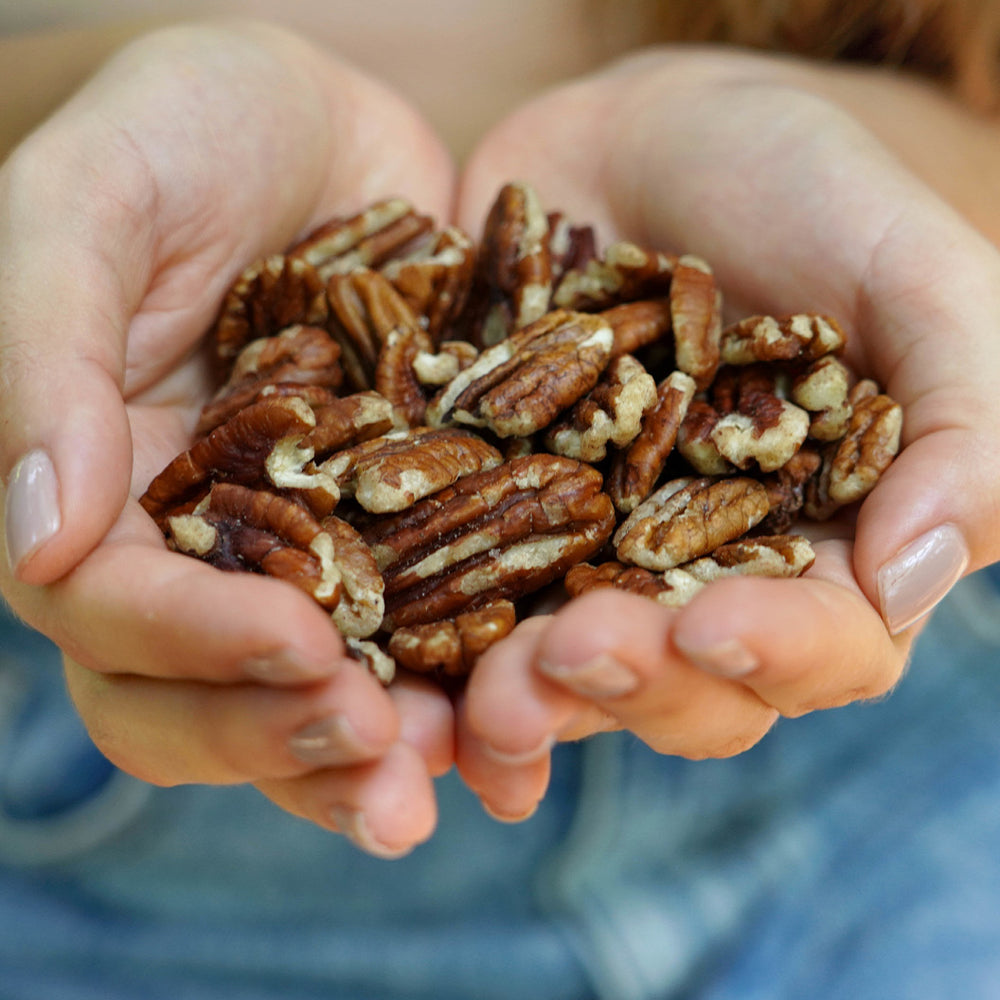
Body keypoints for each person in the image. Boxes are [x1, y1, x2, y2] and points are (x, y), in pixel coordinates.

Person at [1, 2, 999, 996]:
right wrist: (70, 124)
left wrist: (887, 157)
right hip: (119, 858)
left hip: (894, 797)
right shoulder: (372, 400)